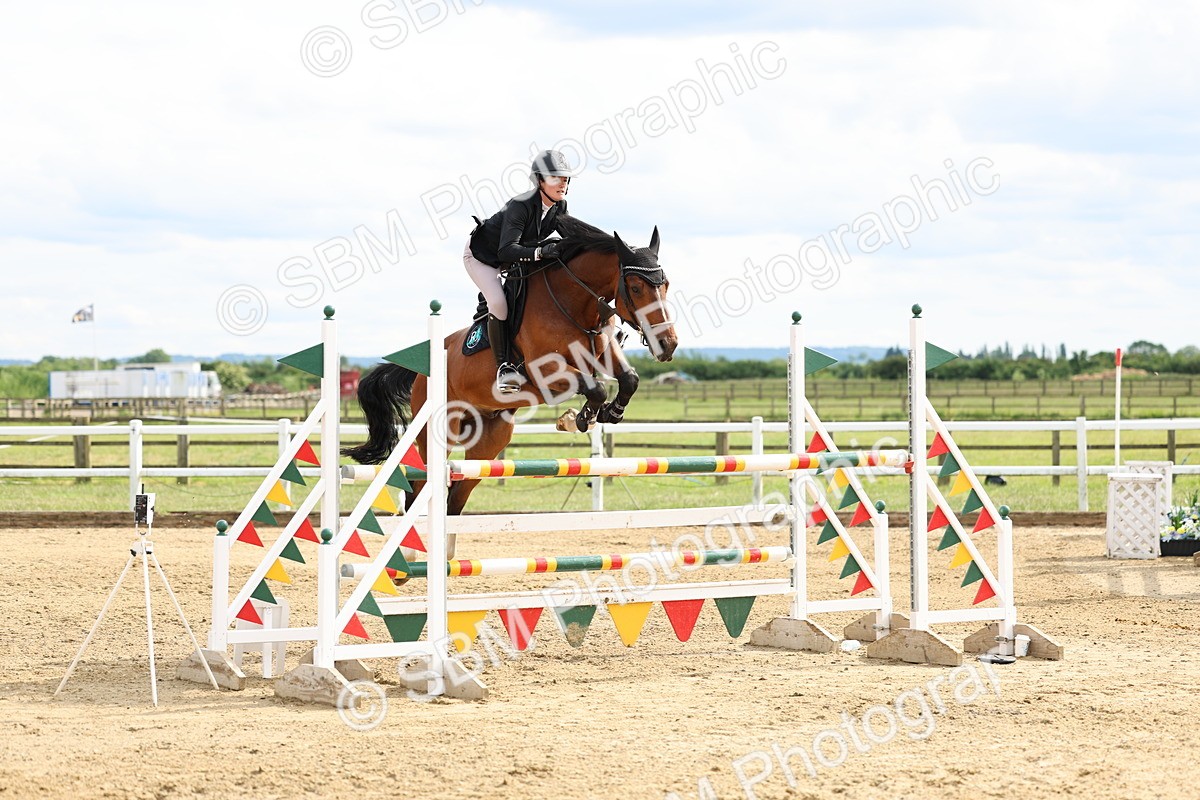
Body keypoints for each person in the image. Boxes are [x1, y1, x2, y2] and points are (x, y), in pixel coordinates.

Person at [465, 149, 575, 394]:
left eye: (565, 178)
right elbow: (506, 251)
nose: (563, 183)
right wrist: (539, 252)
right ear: (539, 181)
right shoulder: (521, 205)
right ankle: (504, 367)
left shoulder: (560, 206)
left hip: (515, 258)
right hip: (483, 258)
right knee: (499, 303)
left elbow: (572, 239)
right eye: (556, 178)